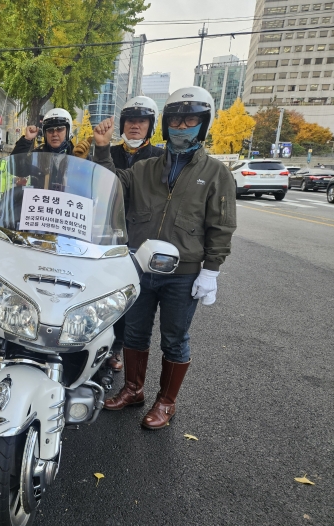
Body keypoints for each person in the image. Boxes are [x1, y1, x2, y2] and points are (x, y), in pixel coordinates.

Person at [91, 86, 237, 429]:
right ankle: (133, 388)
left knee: (175, 337)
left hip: (183, 272)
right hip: (140, 266)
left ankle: (166, 402)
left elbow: (222, 226)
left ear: (203, 124)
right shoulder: (147, 168)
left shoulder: (216, 174)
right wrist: (101, 149)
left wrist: (211, 271)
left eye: (190, 120)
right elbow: (112, 183)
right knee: (137, 332)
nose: (181, 126)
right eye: (175, 119)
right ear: (166, 124)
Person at [90, 96, 165, 373]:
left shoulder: (160, 157)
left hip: (141, 236)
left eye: (142, 121)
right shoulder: (109, 151)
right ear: (122, 124)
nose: (136, 126)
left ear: (151, 125)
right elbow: (96, 184)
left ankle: (118, 347)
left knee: (130, 297)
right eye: (131, 120)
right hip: (106, 232)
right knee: (100, 290)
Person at [11, 108, 84, 157]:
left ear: (68, 131)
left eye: (59, 129)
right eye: (50, 130)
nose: (54, 134)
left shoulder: (80, 156)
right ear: (45, 134)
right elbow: (15, 167)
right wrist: (27, 140)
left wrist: (96, 146)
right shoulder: (37, 156)